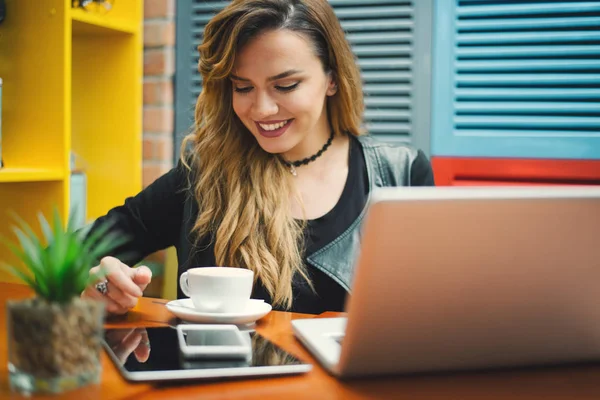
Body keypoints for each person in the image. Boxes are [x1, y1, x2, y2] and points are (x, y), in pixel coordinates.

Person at [81, 0, 434, 317]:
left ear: (332, 79)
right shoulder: (202, 177)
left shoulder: (402, 172)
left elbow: (434, 309)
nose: (262, 109)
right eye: (243, 87)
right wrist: (98, 283)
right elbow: (66, 257)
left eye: (285, 85)